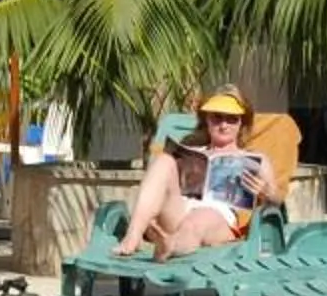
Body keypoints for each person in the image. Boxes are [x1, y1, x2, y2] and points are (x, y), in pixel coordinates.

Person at [111, 87, 276, 260]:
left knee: (199, 218)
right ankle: (134, 234)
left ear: (242, 122)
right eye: (217, 117)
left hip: (218, 219)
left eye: (232, 119)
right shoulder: (190, 151)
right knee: (164, 160)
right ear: (207, 119)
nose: (224, 124)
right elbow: (158, 183)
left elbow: (277, 200)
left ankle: (170, 246)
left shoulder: (254, 159)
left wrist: (267, 193)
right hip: (178, 210)